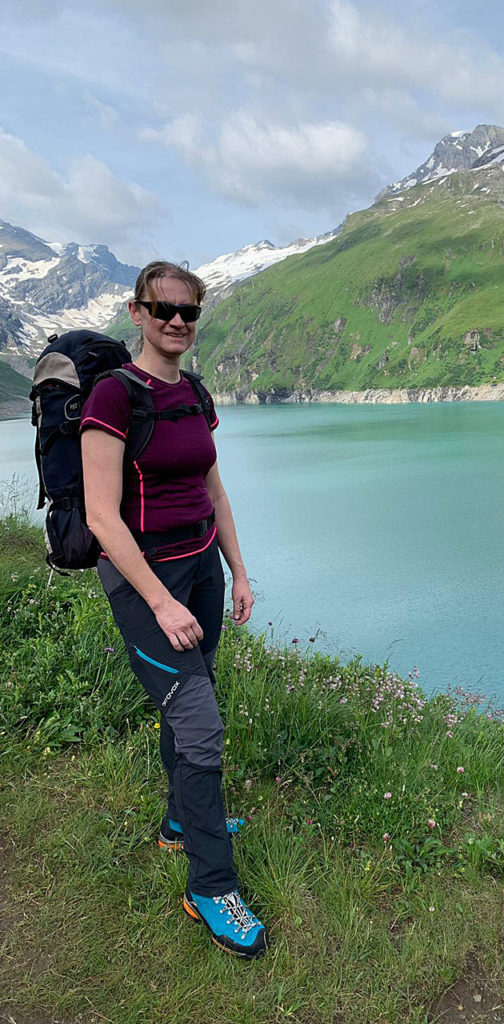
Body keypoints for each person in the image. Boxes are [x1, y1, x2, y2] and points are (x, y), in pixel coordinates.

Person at [81, 261, 268, 960]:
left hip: (201, 575)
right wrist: (158, 603)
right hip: (144, 586)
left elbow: (213, 493)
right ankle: (209, 886)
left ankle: (179, 822)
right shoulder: (113, 396)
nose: (177, 322)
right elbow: (102, 517)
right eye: (163, 309)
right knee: (200, 723)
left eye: (189, 311)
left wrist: (239, 571)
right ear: (136, 313)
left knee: (191, 704)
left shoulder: (192, 389)